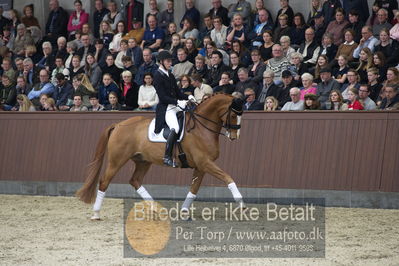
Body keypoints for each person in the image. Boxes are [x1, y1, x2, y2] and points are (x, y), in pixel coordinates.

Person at [153, 51, 194, 167]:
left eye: (171, 61)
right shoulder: (157, 76)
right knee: (175, 128)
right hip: (166, 107)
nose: (170, 63)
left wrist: (188, 96)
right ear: (161, 62)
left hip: (175, 105)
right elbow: (162, 97)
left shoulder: (170, 75)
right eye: (168, 61)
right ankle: (167, 156)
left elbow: (177, 93)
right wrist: (177, 101)